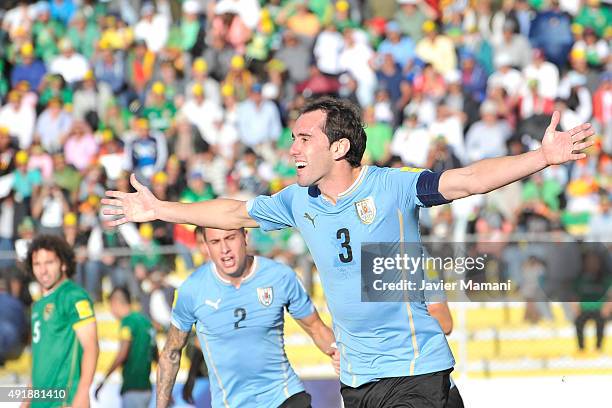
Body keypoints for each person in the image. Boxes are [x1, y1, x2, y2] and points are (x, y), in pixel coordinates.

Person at [104, 97, 594, 407]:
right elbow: (231, 213)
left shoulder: (392, 187)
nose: (292, 148)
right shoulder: (298, 201)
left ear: (338, 148)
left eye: (303, 138)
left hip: (412, 370)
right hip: (356, 382)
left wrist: (542, 158)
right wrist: (160, 210)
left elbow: (467, 181)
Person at [156, 226, 337, 408]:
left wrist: (339, 354)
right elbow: (171, 352)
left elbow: (316, 328)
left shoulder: (279, 276)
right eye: (215, 242)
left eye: (230, 238)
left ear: (245, 237)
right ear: (206, 246)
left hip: (284, 396)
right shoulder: (192, 290)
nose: (224, 249)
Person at [22, 234, 99, 408]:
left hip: (64, 402)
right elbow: (38, 360)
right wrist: (26, 402)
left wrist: (82, 394)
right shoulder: (38, 305)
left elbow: (91, 347)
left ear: (63, 264)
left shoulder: (73, 296)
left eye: (49, 263)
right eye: (37, 264)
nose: (43, 271)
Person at [94, 287, 157, 408]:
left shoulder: (127, 322)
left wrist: (103, 380)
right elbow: (157, 357)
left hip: (132, 389)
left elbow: (123, 353)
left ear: (115, 302)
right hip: (148, 390)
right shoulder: (147, 322)